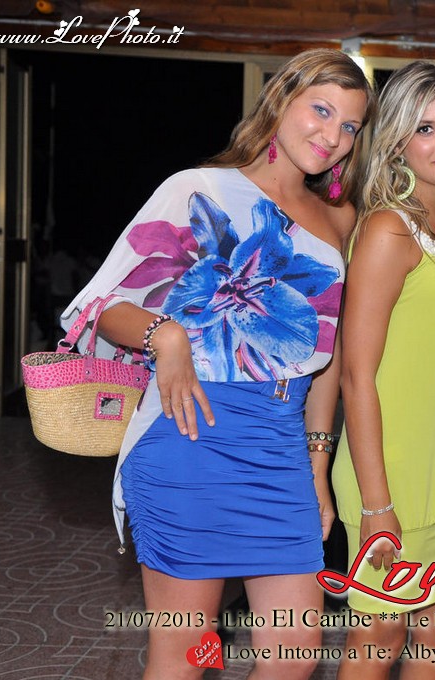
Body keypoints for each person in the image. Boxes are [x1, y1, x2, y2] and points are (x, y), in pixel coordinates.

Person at [60, 48, 374, 679]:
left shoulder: (340, 220)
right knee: (184, 656)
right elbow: (99, 307)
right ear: (279, 102)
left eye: (349, 125)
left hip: (280, 448)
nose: (332, 135)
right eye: (320, 110)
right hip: (189, 436)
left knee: (294, 657)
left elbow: (326, 354)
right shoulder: (197, 189)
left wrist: (317, 466)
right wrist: (167, 335)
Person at [330, 61, 435, 680]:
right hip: (396, 481)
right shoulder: (387, 230)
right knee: (379, 638)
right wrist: (377, 505)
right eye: (425, 128)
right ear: (397, 141)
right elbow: (356, 375)